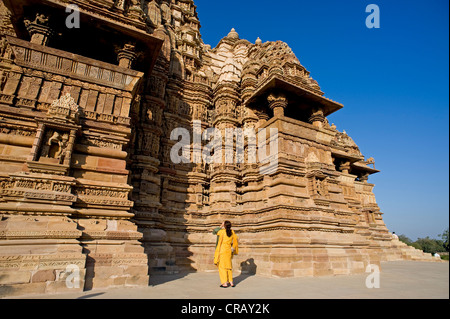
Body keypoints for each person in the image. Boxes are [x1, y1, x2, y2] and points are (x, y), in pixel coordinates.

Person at [214, 221, 238, 288]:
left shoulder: (222, 232)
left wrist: (221, 226)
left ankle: (224, 283)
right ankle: (231, 282)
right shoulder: (232, 232)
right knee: (228, 266)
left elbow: (214, 231)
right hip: (229, 250)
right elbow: (236, 239)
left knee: (222, 267)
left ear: (224, 225)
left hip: (222, 250)